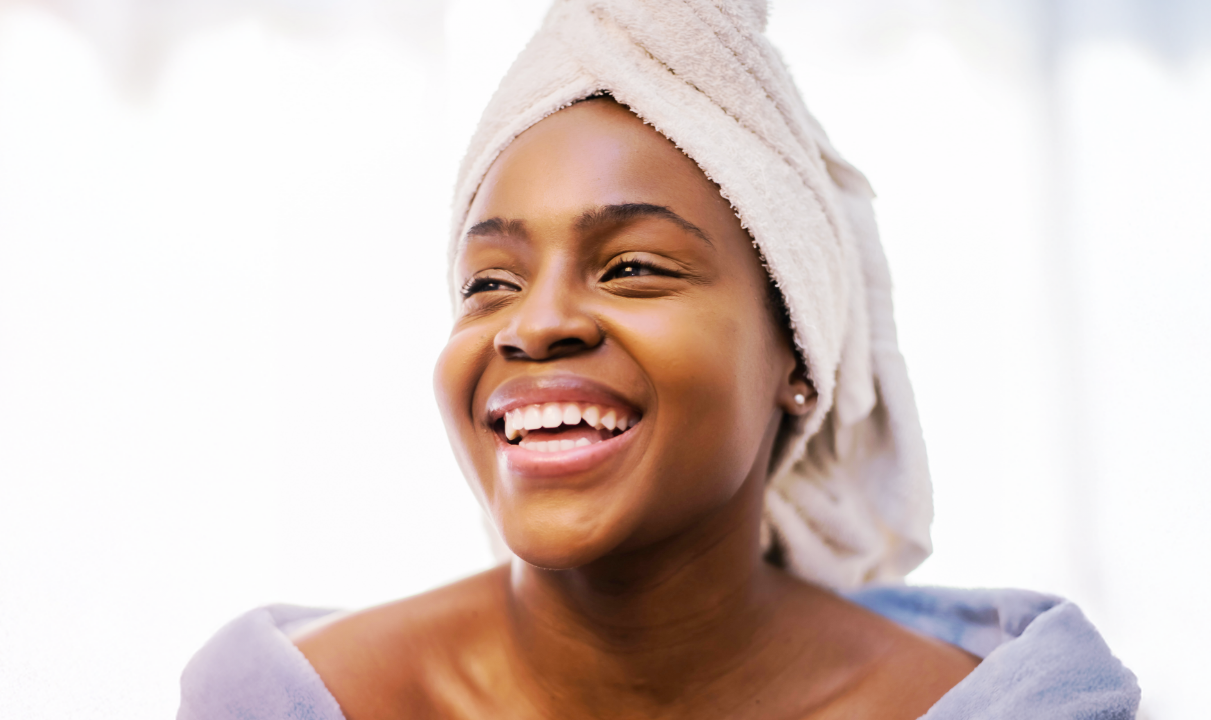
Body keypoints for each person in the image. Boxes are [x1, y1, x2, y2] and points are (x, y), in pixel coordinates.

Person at [178, 1, 1140, 718]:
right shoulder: (297, 704)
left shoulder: (1005, 707)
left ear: (798, 354)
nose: (534, 324)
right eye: (489, 283)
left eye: (633, 267)